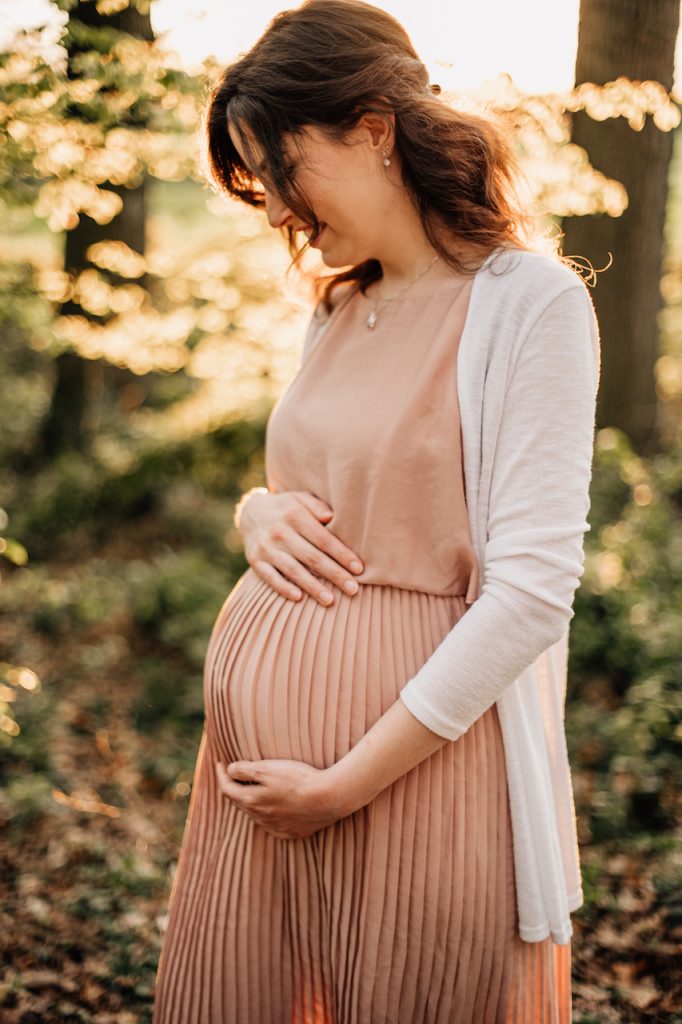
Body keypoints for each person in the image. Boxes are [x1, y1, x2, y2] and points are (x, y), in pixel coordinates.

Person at [152, 0, 601, 1021]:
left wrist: (344, 784)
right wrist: (256, 513)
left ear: (371, 128)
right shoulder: (335, 306)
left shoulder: (531, 304)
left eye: (280, 168)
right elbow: (323, 488)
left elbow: (532, 595)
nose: (276, 208)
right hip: (261, 808)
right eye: (255, 182)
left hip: (413, 782)